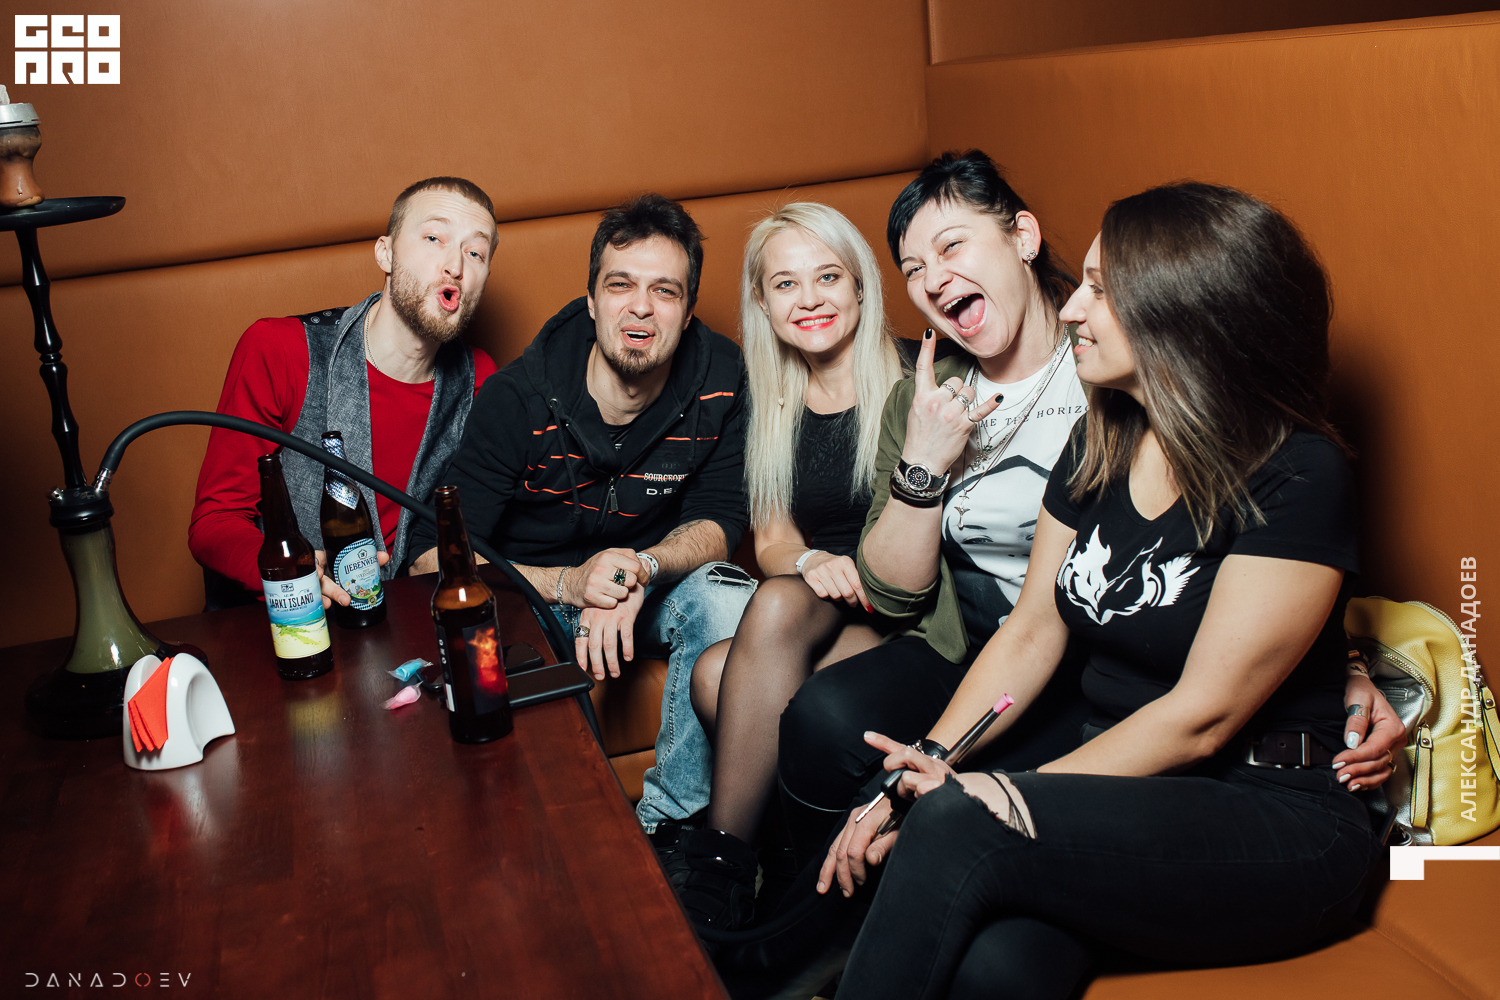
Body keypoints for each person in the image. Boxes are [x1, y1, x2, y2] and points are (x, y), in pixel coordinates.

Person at [824, 182, 1391, 999]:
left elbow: (1202, 717)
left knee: (956, 822)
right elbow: (1031, 630)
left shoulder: (1298, 470)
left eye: (1098, 288)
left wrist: (999, 795)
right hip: (1132, 788)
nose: (1071, 309)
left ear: (1180, 309)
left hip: (1273, 811)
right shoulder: (1104, 436)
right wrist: (925, 765)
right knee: (996, 965)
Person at [406, 193, 757, 834]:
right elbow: (432, 556)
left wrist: (639, 569)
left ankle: (673, 832)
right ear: (592, 300)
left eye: (665, 291)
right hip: (536, 600)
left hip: (647, 589)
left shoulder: (724, 377)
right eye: (620, 285)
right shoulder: (516, 399)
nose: (641, 307)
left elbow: (721, 520)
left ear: (688, 312)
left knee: (729, 596)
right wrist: (570, 584)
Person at [672, 203, 911, 930]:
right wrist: (811, 560)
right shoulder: (768, 398)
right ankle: (757, 869)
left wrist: (850, 569)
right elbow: (774, 539)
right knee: (712, 670)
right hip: (819, 599)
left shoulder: (915, 377)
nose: (809, 299)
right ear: (763, 302)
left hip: (906, 605)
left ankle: (723, 867)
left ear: (861, 285)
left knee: (759, 634)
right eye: (785, 284)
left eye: (828, 277)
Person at [190, 177, 500, 611]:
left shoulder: (480, 379)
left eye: (475, 252)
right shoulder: (280, 349)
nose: (455, 266)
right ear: (385, 253)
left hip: (409, 618)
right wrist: (289, 571)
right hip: (292, 621)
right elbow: (214, 521)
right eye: (434, 238)